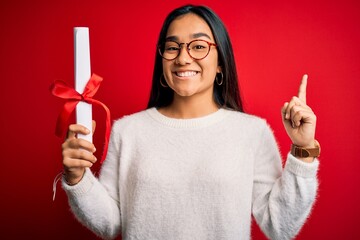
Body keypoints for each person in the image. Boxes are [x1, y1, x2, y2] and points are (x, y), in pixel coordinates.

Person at [61, 5, 320, 240]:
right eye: (173, 47)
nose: (183, 58)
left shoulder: (252, 133)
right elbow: (109, 224)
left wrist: (303, 149)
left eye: (198, 46)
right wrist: (77, 178)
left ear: (221, 64)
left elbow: (280, 225)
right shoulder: (127, 131)